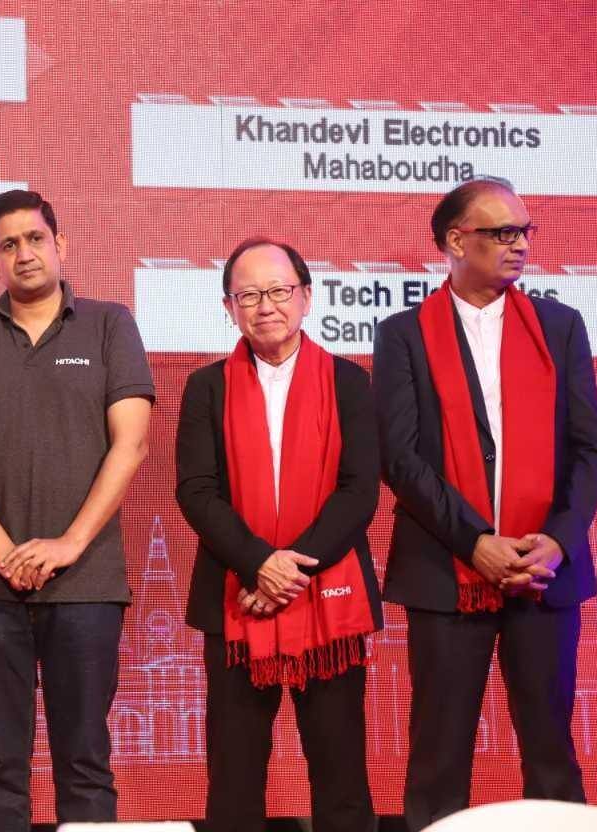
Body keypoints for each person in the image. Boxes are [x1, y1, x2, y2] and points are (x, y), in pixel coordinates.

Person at [373, 178, 597, 830]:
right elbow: (401, 459)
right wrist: (475, 541)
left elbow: (590, 449)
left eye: (525, 231)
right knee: (439, 758)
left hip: (544, 574)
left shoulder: (560, 327)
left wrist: (558, 540)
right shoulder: (403, 335)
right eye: (503, 232)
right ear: (456, 241)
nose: (520, 244)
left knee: (552, 756)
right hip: (446, 573)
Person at [0, 189, 154, 830]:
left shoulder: (109, 324)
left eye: (35, 239)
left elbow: (131, 444)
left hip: (86, 582)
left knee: (84, 762)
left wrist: (69, 544)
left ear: (61, 245)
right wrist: (4, 552)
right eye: (8, 245)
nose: (24, 254)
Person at [176, 238, 381, 832]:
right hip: (235, 598)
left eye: (278, 291)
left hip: (328, 599)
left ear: (306, 297)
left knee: (341, 777)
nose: (265, 306)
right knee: (235, 779)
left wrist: (288, 571)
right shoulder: (206, 387)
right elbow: (197, 491)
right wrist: (258, 563)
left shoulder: (349, 381)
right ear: (229, 307)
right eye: (248, 295)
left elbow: (359, 490)